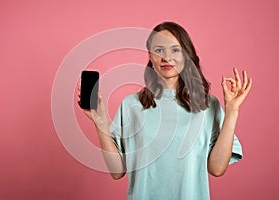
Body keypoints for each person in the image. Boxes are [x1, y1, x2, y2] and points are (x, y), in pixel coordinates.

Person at [78, 21, 252, 200]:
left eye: (175, 50)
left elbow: (216, 168)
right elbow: (117, 172)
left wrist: (232, 111)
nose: (166, 57)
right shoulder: (131, 105)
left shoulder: (208, 105)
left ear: (186, 55)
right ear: (150, 57)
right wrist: (101, 123)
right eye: (159, 50)